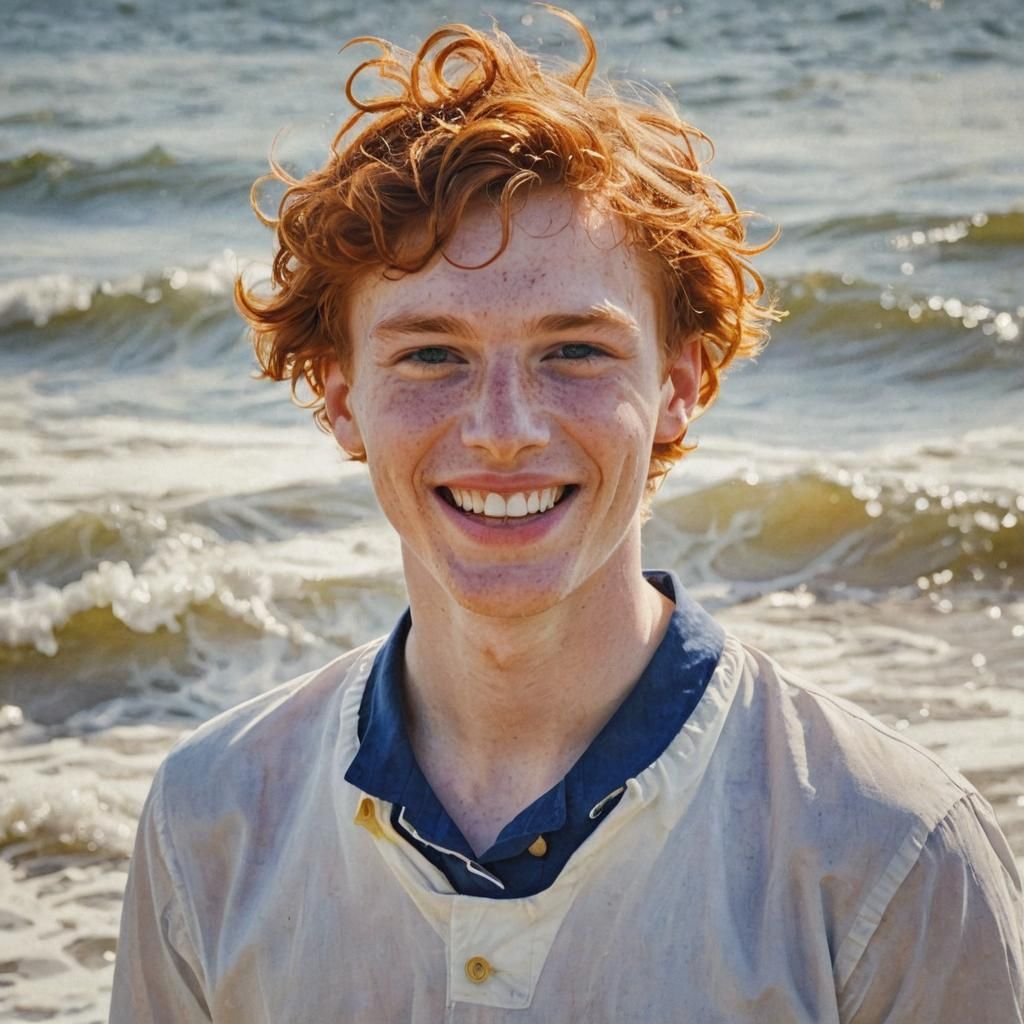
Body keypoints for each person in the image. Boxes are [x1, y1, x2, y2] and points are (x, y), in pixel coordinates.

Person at [109, 8, 1023, 1022]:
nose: (503, 430)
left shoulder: (893, 853)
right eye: (431, 354)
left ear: (678, 384)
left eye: (575, 350)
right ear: (341, 397)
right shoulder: (210, 819)